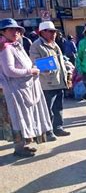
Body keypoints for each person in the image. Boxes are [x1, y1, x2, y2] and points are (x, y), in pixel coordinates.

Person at [0, 18, 54, 157]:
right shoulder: (6, 48)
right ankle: (19, 149)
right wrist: (30, 71)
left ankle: (23, 146)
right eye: (11, 29)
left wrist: (36, 68)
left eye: (17, 29)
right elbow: (9, 71)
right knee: (18, 119)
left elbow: (26, 65)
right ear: (3, 32)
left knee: (23, 118)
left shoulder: (15, 45)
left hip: (23, 89)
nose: (15, 32)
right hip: (15, 91)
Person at [29, 21, 71, 137]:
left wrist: (67, 70)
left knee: (58, 107)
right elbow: (35, 62)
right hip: (47, 83)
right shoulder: (36, 46)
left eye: (55, 32)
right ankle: (48, 131)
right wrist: (46, 69)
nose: (54, 34)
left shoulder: (55, 44)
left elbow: (60, 61)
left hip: (59, 81)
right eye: (51, 32)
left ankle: (58, 127)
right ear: (43, 32)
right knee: (48, 109)